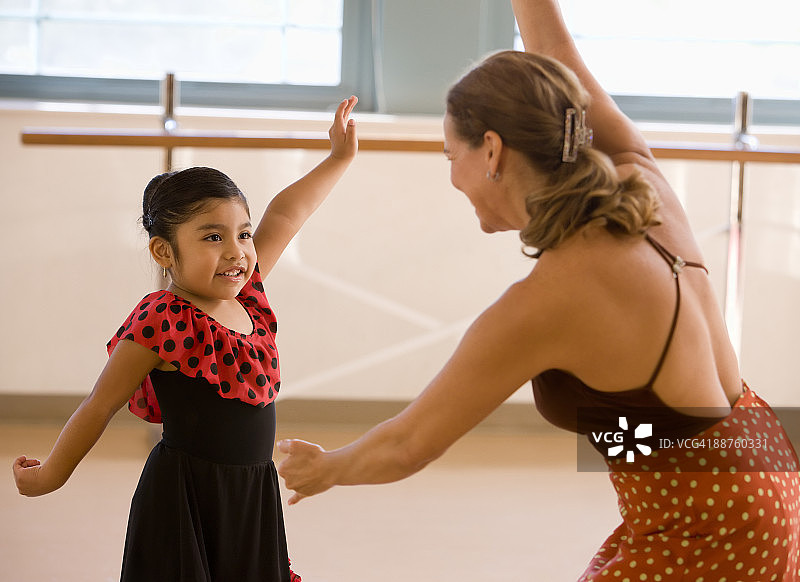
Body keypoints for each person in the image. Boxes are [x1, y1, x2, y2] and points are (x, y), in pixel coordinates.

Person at [277, 1, 800, 579]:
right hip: (757, 468)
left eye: (451, 155)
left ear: (493, 151)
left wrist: (327, 468)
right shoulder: (637, 173)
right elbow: (556, 54)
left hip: (710, 525)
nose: (451, 175)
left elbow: (408, 444)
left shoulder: (550, 300)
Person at [13, 96, 359, 582]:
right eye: (212, 237)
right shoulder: (162, 320)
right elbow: (99, 406)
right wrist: (50, 475)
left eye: (243, 234)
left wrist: (338, 159)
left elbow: (285, 215)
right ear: (164, 251)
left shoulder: (249, 296)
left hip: (252, 499)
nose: (237, 252)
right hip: (184, 500)